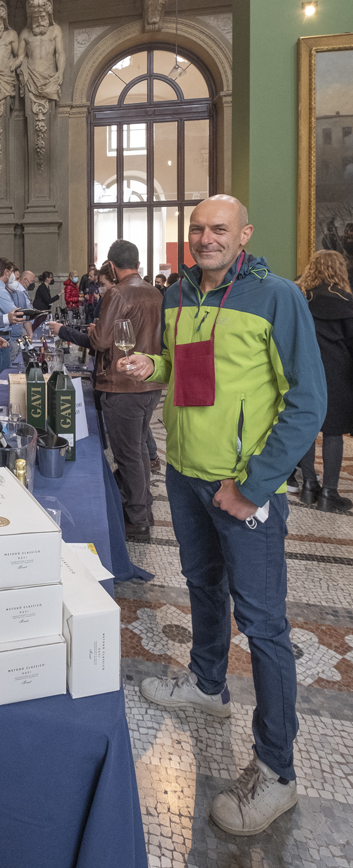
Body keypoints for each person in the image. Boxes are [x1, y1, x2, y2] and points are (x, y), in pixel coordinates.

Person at [123, 195, 326, 836]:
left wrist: (254, 486)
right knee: (202, 586)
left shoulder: (277, 297)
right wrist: (149, 365)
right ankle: (208, 685)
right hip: (184, 476)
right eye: (197, 229)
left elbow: (308, 401)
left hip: (242, 487)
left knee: (265, 626)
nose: (205, 238)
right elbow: (189, 373)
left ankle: (277, 771)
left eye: (218, 228)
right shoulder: (180, 295)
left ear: (245, 233)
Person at [85, 240, 162, 539]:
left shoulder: (117, 292)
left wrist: (93, 331)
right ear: (138, 263)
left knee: (128, 454)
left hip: (123, 382)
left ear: (113, 267)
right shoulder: (155, 292)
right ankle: (143, 505)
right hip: (150, 380)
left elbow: (103, 341)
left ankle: (138, 518)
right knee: (139, 448)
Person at [295, 250, 353, 512]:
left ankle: (309, 485)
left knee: (307, 429)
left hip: (304, 369)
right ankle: (329, 492)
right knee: (333, 433)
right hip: (338, 372)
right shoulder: (346, 301)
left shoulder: (299, 297)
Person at [0, 257, 25, 375]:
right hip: (0, 338)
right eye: (12, 272)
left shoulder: (2, 288)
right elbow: (15, 312)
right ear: (7, 272)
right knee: (0, 377)